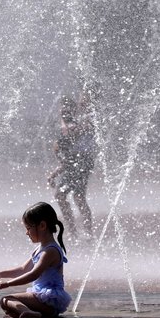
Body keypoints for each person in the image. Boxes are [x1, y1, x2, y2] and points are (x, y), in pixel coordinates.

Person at [0, 202, 71, 318]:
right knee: (10, 309)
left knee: (6, 300)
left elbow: (33, 274)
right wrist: (0, 274)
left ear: (42, 225)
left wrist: (8, 283)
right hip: (42, 298)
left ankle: (28, 312)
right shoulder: (40, 249)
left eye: (28, 228)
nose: (26, 232)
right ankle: (33, 313)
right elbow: (23, 269)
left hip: (48, 299)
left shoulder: (50, 251)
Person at [48, 91, 96, 237]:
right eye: (62, 109)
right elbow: (66, 157)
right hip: (76, 164)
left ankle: (84, 232)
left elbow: (71, 154)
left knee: (75, 196)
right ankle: (77, 231)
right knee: (70, 196)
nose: (63, 112)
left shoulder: (75, 127)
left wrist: (56, 172)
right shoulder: (69, 127)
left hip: (81, 164)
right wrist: (55, 172)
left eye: (66, 109)